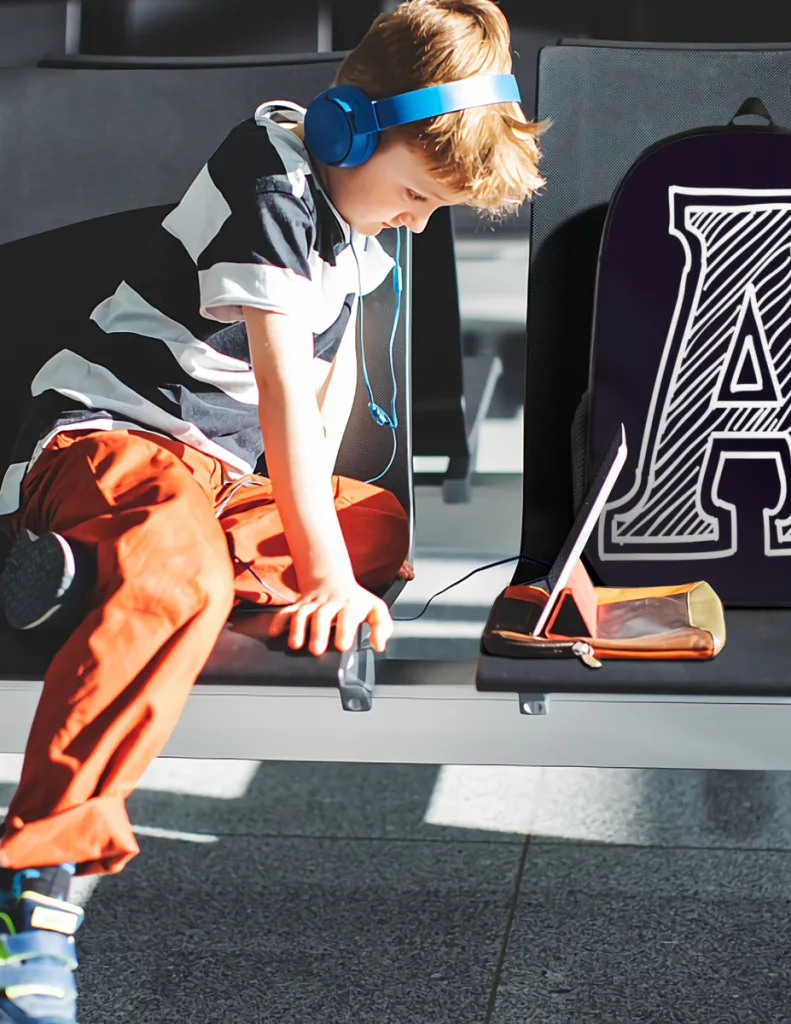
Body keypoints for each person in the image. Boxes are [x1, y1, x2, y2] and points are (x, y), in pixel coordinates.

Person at [0, 1, 545, 1019]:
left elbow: (328, 392)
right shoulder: (271, 172)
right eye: (416, 195)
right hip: (120, 440)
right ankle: (40, 886)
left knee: (376, 524)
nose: (417, 221)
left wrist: (332, 550)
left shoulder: (355, 214)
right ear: (349, 127)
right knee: (187, 573)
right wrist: (319, 573)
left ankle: (83, 578)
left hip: (222, 485)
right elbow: (287, 394)